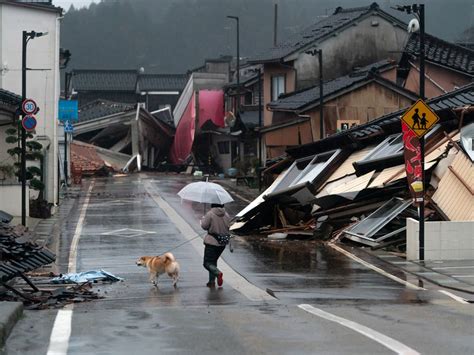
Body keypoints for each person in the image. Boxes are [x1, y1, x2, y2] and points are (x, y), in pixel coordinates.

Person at [200, 203, 231, 288]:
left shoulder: (210, 214)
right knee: (213, 261)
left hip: (212, 242)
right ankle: (211, 282)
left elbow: (204, 226)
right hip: (222, 243)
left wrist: (203, 220)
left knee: (207, 263)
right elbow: (228, 227)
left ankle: (218, 273)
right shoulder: (226, 214)